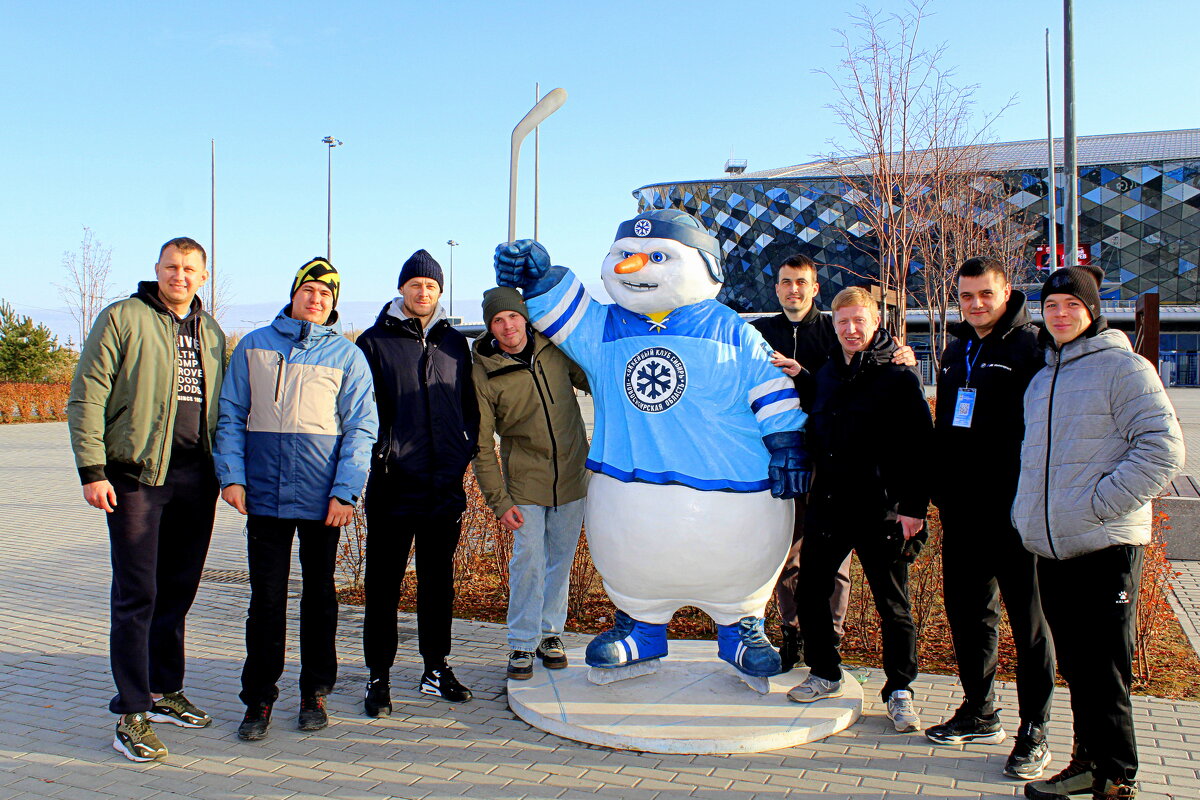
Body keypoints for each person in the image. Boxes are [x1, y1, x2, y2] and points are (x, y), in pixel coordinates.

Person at [1014, 265, 1183, 800]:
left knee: (1106, 672)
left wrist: (1098, 505)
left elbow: (1163, 449)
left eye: (1072, 305)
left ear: (1091, 312)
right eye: (1052, 305)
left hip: (1105, 546)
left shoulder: (1123, 368)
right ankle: (1087, 762)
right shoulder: (1042, 378)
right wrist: (1028, 515)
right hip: (1054, 547)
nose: (1060, 315)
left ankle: (1118, 778)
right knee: (1080, 668)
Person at [68, 237, 225, 762]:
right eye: (171, 266)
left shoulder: (212, 332)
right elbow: (87, 393)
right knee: (137, 594)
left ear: (204, 276)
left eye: (190, 269)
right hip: (135, 478)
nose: (180, 275)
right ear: (157, 269)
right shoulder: (123, 318)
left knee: (178, 591)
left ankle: (164, 690)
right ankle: (131, 711)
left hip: (194, 479)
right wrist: (93, 470)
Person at [215, 258, 377, 741]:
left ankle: (315, 693)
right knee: (265, 600)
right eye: (309, 290)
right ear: (293, 294)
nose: (316, 299)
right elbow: (230, 415)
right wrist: (232, 477)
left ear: (333, 304)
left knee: (319, 598)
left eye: (326, 295)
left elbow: (362, 428)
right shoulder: (254, 346)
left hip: (322, 499)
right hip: (263, 496)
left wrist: (346, 491)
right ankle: (259, 699)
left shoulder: (347, 357)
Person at [926, 257, 1057, 780]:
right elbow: (947, 423)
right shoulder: (959, 348)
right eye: (966, 296)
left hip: (1016, 513)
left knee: (1029, 624)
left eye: (986, 294)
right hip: (963, 512)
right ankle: (980, 711)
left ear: (1008, 293)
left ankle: (1036, 731)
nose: (976, 304)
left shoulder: (1033, 348)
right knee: (968, 614)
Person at [751, 254, 914, 670]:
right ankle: (796, 636)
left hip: (850, 482)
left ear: (814, 287)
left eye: (801, 282)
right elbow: (821, 387)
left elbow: (915, 435)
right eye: (786, 281)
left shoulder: (835, 330)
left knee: (839, 570)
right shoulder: (759, 332)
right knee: (792, 560)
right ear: (776, 287)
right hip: (783, 465)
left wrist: (902, 356)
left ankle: (838, 646)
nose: (793, 289)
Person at [787, 286, 932, 734]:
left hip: (882, 509)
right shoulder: (829, 372)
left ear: (874, 322)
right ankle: (825, 672)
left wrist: (913, 507)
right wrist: (801, 375)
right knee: (811, 590)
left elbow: (920, 445)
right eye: (843, 321)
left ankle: (900, 690)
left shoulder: (898, 374)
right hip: (829, 504)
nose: (851, 329)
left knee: (893, 605)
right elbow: (821, 407)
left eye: (859, 321)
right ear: (834, 324)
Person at [357, 249, 480, 713]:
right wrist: (383, 454)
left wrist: (462, 451)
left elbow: (467, 404)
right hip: (392, 486)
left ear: (440, 292)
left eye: (431, 286)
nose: (423, 292)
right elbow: (361, 414)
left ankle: (435, 668)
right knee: (383, 585)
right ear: (402, 288)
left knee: (437, 583)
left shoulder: (454, 344)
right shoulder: (373, 343)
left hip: (442, 486)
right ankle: (378, 676)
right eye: (415, 285)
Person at [471, 287, 590, 680]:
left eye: (513, 317)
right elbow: (481, 444)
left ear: (525, 317)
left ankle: (550, 635)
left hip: (572, 475)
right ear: (491, 327)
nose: (508, 327)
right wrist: (499, 501)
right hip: (525, 483)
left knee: (560, 559)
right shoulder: (484, 371)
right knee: (529, 561)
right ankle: (522, 643)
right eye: (498, 321)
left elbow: (593, 378)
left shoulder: (554, 349)